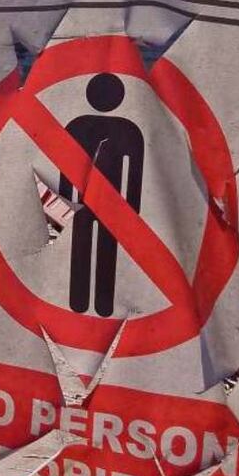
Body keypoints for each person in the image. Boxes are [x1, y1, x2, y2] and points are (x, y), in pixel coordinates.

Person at [58, 73, 144, 317]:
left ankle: (81, 304)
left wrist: (66, 204)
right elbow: (133, 176)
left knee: (84, 252)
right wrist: (130, 211)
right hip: (109, 207)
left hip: (84, 205)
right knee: (101, 253)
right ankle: (99, 306)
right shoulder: (129, 130)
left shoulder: (78, 125)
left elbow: (66, 172)